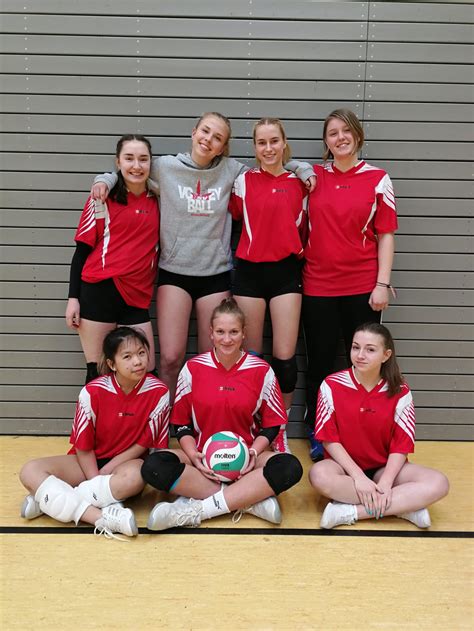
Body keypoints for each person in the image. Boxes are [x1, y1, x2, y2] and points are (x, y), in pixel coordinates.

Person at [91, 113, 314, 400]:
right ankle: (164, 424)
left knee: (214, 360)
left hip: (214, 274)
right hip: (175, 272)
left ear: (224, 147)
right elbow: (132, 168)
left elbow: (273, 164)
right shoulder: (165, 167)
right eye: (205, 132)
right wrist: (104, 180)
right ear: (194, 132)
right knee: (171, 358)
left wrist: (304, 169)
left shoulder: (232, 171)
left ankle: (205, 424)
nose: (208, 140)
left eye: (217, 137)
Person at [140, 297, 303, 531]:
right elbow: (181, 424)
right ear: (211, 333)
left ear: (244, 333)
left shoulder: (261, 370)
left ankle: (197, 511)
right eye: (221, 331)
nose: (227, 339)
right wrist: (193, 455)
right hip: (203, 457)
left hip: (247, 456)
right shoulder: (193, 368)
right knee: (153, 466)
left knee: (290, 468)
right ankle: (246, 500)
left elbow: (271, 425)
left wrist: (253, 453)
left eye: (234, 331)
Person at [302, 108, 398, 461]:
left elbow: (385, 235)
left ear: (357, 135)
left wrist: (382, 283)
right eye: (332, 133)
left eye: (346, 131)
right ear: (325, 142)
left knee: (365, 363)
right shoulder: (311, 177)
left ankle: (364, 434)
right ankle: (318, 432)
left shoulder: (378, 178)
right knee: (321, 364)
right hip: (317, 286)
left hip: (362, 285)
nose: (340, 137)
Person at [19, 327, 170, 538]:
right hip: (87, 461)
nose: (137, 361)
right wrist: (95, 480)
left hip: (125, 464)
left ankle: (48, 502)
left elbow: (143, 445)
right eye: (127, 356)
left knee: (135, 478)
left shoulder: (159, 392)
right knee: (29, 471)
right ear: (111, 364)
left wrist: (107, 470)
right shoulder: (92, 391)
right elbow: (83, 447)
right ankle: (100, 517)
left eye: (141, 353)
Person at [309, 322, 449, 529]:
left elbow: (401, 445)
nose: (360, 355)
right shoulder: (331, 385)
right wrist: (358, 477)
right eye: (356, 347)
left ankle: (350, 512)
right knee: (318, 475)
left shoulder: (400, 390)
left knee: (439, 483)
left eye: (370, 349)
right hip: (343, 468)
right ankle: (404, 506)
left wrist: (386, 483)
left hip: (384, 469)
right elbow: (329, 439)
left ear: (386, 355)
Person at [229, 118, 308, 454]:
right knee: (251, 359)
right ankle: (252, 426)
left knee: (285, 360)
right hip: (248, 273)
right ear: (255, 147)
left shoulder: (301, 183)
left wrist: (301, 169)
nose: (269, 148)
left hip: (286, 272)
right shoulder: (242, 181)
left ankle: (279, 429)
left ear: (284, 142)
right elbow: (232, 219)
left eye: (274, 141)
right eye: (262, 142)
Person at [66, 134, 159, 384]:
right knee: (99, 374)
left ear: (151, 163)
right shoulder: (101, 198)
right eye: (129, 158)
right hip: (99, 291)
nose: (136, 166)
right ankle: (90, 424)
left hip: (137, 296)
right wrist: (73, 298)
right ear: (117, 162)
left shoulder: (161, 199)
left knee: (146, 371)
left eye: (143, 159)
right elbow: (81, 252)